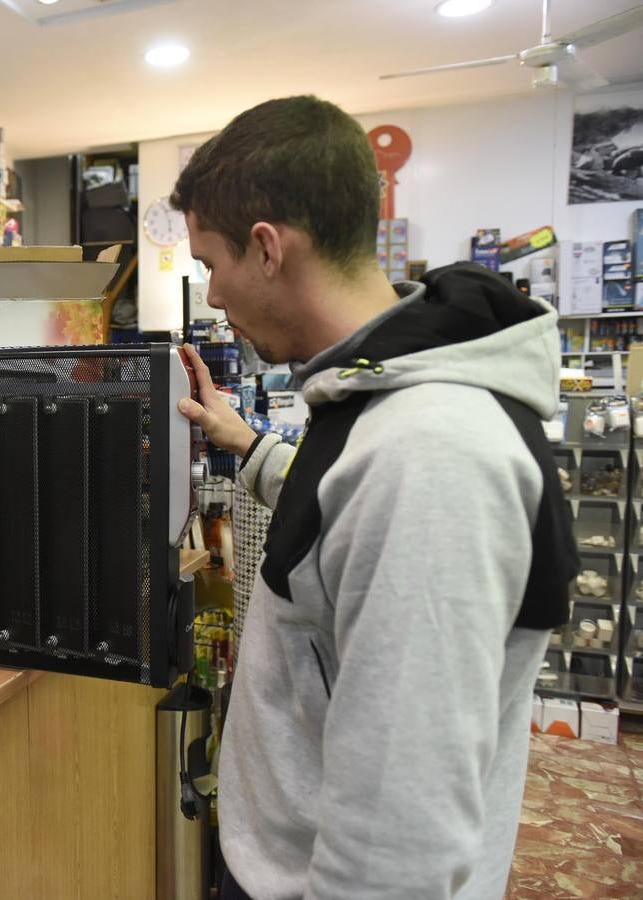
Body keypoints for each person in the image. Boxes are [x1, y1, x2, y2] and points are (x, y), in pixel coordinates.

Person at [171, 97, 576, 899]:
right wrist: (248, 448)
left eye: (210, 264)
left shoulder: (433, 453)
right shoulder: (379, 403)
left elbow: (403, 835)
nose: (213, 296)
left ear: (267, 249)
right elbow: (348, 527)